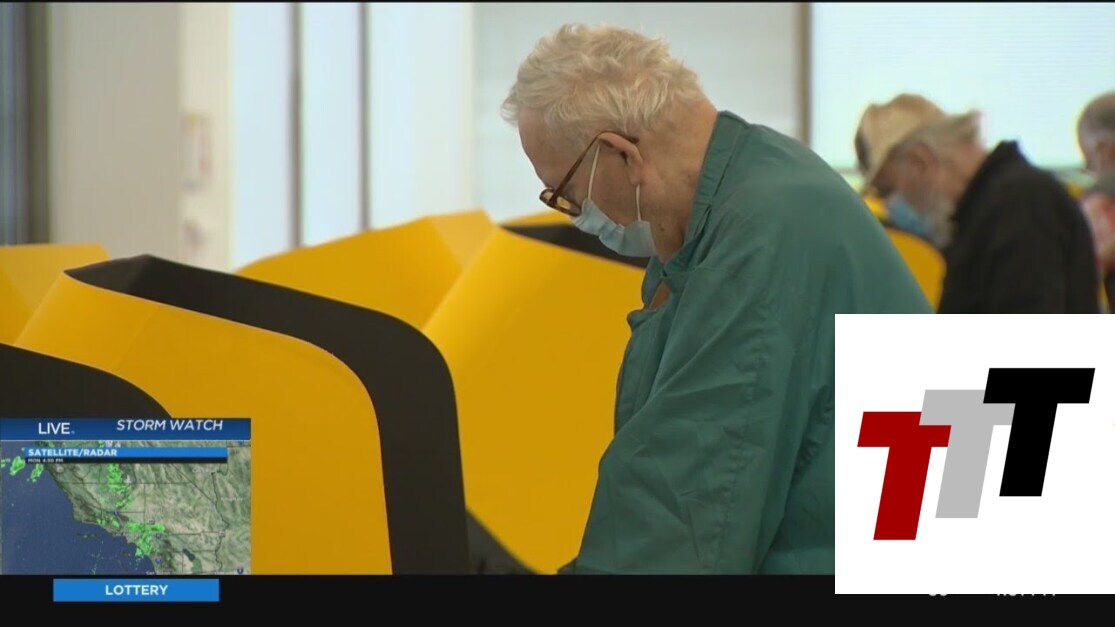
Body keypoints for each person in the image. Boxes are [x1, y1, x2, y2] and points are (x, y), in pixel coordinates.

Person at [500, 23, 932, 574]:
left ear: (622, 156)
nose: (578, 216)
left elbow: (684, 516)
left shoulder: (760, 236)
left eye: (566, 195)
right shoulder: (739, 196)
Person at [855, 94, 1098, 313]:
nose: (888, 205)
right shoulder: (983, 214)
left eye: (888, 189)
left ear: (921, 162)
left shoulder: (1019, 205)